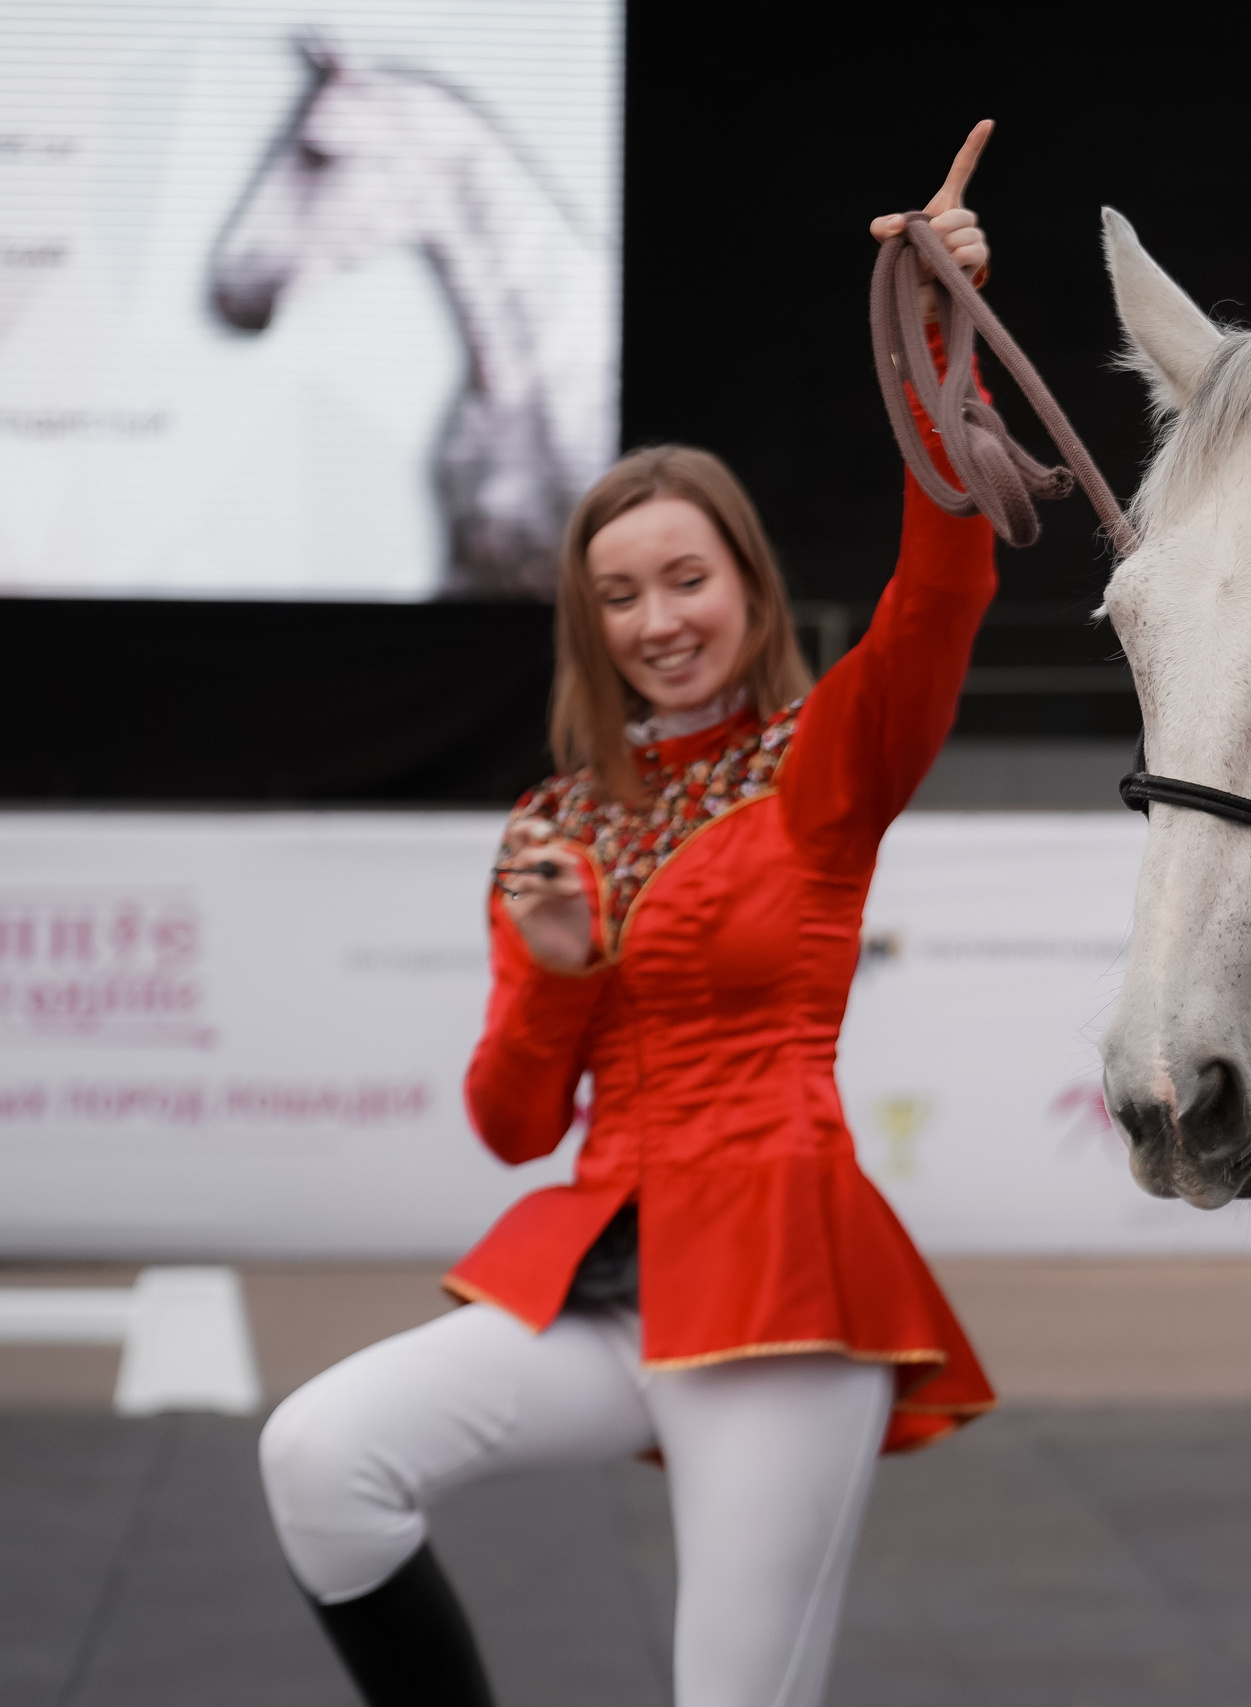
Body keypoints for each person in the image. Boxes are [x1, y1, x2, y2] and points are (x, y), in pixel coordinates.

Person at [256, 126, 1003, 1707]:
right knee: (323, 1453)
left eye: (688, 579)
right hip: (602, 1261)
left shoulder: (822, 765)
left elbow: (939, 590)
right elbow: (514, 1124)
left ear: (745, 579)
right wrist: (554, 976)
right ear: (587, 620)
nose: (660, 620)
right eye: (621, 594)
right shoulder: (554, 824)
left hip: (785, 1277)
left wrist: (943, 333)